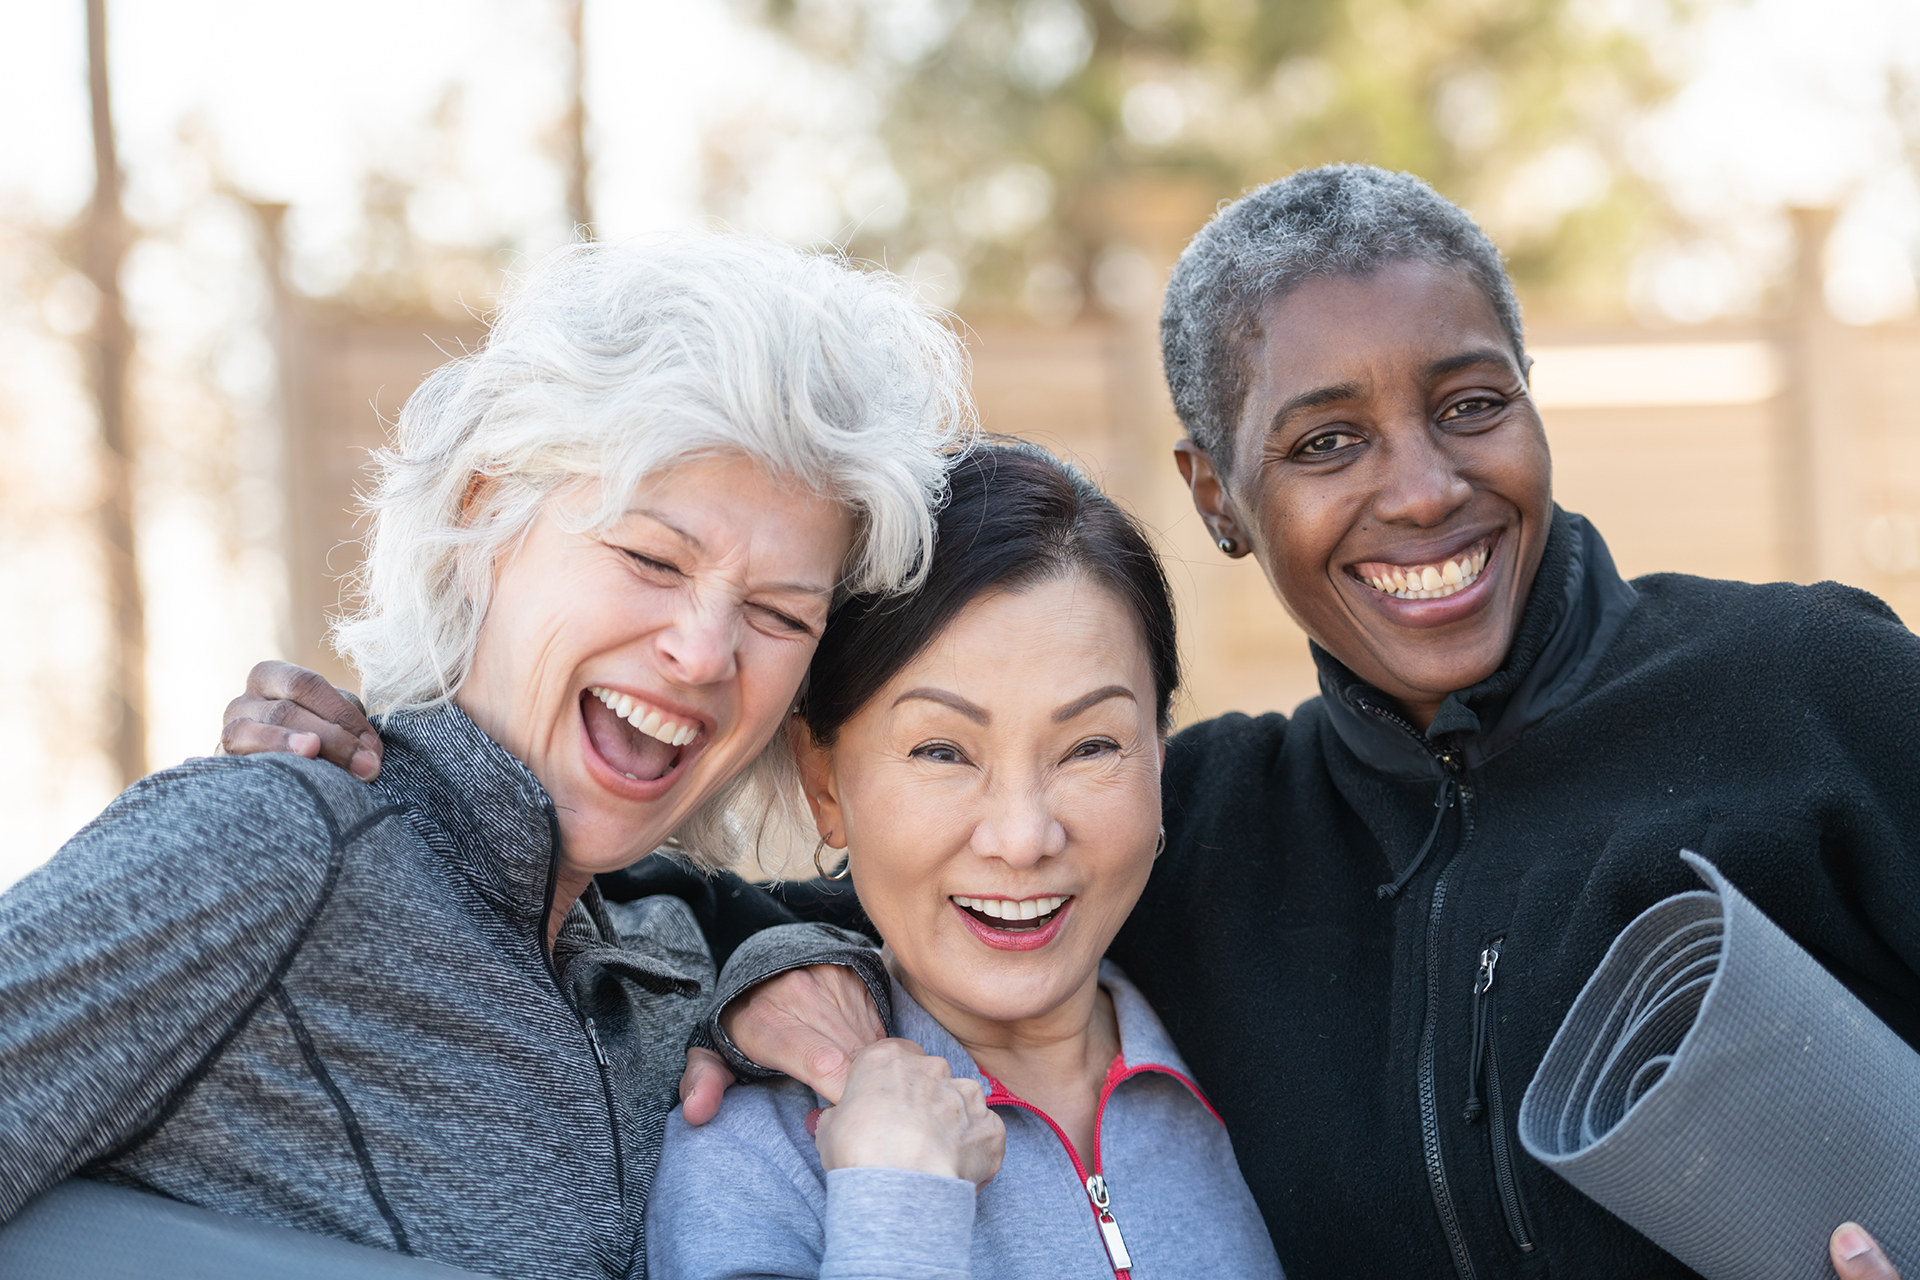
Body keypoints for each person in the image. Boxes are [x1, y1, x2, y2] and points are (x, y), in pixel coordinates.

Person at [218, 167, 1911, 1280]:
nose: (1423, 488)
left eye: (1475, 405)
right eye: (1324, 441)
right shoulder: (1210, 831)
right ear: (1220, 497)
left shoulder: (1814, 694)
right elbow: (783, 888)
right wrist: (404, 781)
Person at [0, 231, 968, 1278]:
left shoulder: (669, 965)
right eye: (650, 556)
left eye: (779, 613)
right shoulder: (273, 848)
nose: (703, 651)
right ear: (483, 520)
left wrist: (774, 963)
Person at [645, 444, 1283, 1279]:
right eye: (943, 752)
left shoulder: (1260, 1059)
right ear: (824, 782)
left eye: (1091, 746)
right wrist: (897, 1205)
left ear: (1159, 761)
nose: (1023, 838)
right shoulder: (753, 1154)